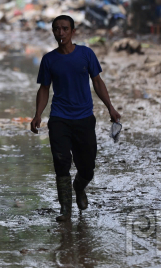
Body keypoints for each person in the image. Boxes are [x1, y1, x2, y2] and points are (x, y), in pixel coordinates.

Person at [30, 15, 121, 222]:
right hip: (59, 118)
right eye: (56, 29)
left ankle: (79, 187)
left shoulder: (86, 54)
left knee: (87, 167)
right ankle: (65, 209)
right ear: (53, 32)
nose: (60, 33)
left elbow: (97, 82)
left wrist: (110, 107)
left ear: (73, 31)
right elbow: (44, 89)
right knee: (61, 162)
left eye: (64, 28)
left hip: (84, 119)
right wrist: (38, 114)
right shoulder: (49, 60)